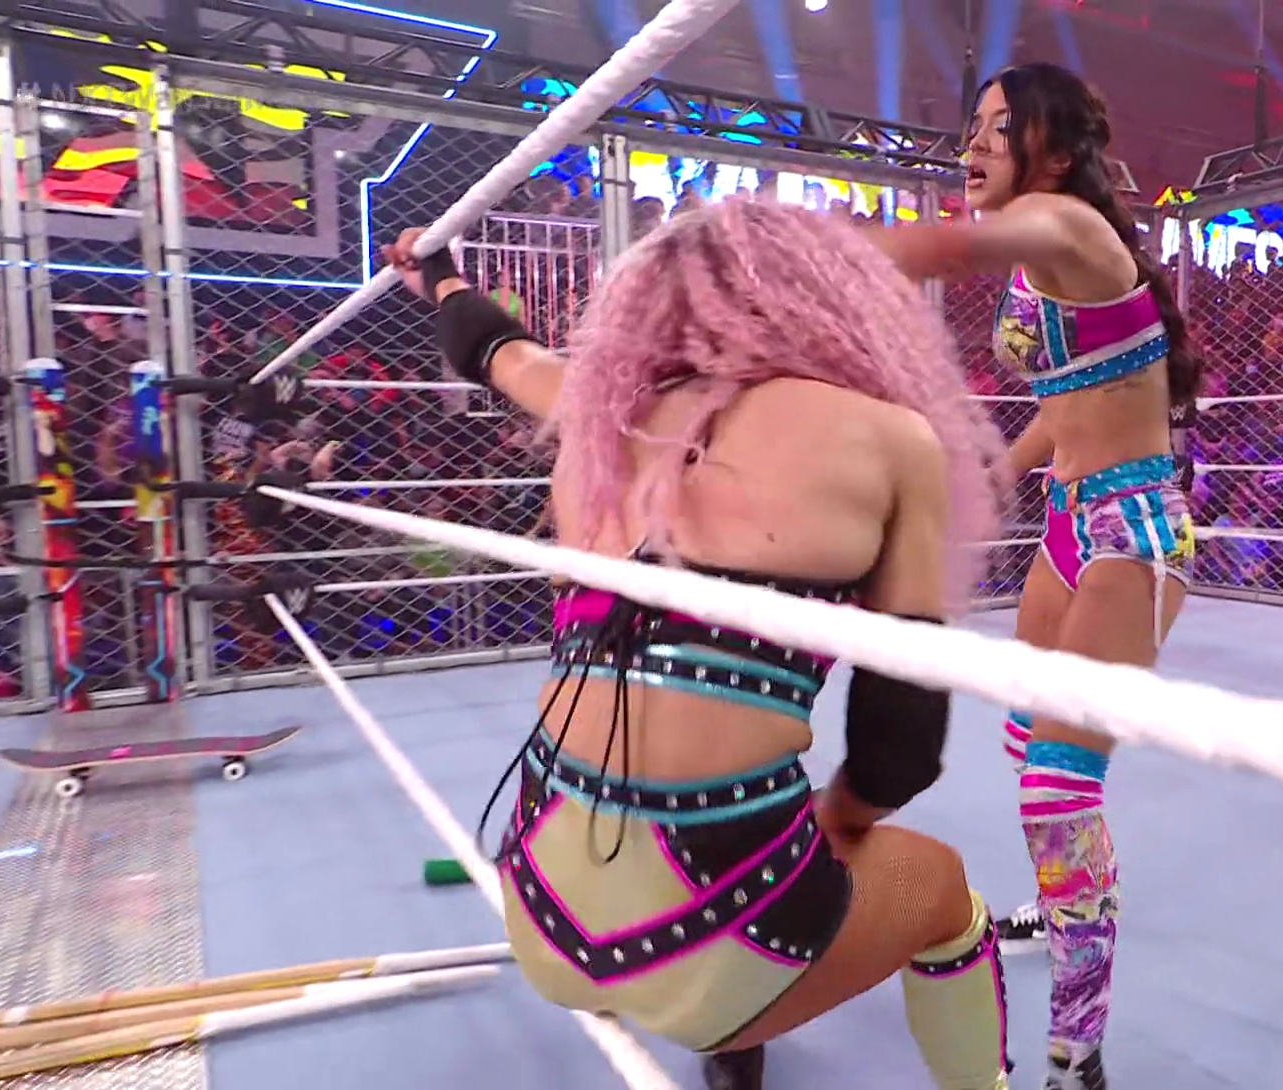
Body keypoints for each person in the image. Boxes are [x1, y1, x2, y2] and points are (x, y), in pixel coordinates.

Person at [383, 198, 1011, 1090]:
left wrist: (440, 275)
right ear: (834, 300)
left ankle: (732, 1038)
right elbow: (900, 746)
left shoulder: (593, 410)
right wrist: (840, 821)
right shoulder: (888, 438)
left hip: (538, 902)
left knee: (743, 827)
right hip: (716, 929)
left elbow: (492, 348)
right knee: (942, 894)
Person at [871, 62, 1201, 1090]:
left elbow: (928, 250)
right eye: (972, 125)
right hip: (1067, 520)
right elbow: (1067, 401)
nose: (973, 145)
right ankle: (1068, 909)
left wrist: (765, 251)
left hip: (1131, 531)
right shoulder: (1038, 259)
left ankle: (1076, 1048)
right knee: (1030, 753)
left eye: (999, 127)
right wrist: (997, 474)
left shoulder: (1065, 227)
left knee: (1062, 787)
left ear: (1053, 151)